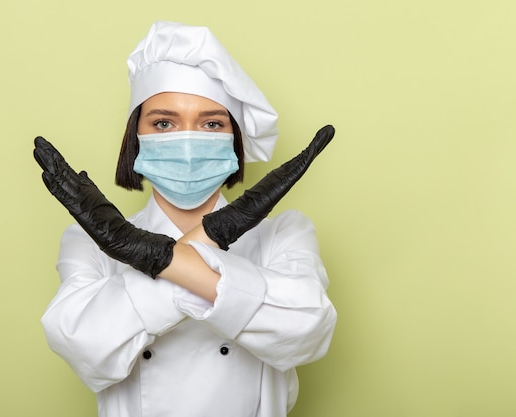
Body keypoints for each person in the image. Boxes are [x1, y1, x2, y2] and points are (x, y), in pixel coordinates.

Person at [34, 21, 337, 417]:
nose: (189, 141)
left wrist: (152, 256)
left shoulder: (285, 231)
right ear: (135, 137)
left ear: (234, 139)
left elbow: (306, 332)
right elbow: (84, 347)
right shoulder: (87, 239)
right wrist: (207, 247)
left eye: (212, 123)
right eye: (164, 123)